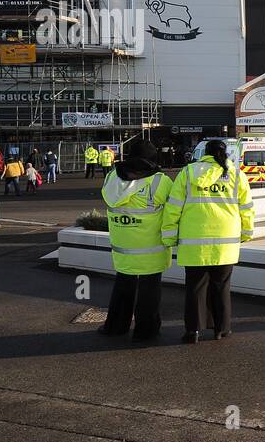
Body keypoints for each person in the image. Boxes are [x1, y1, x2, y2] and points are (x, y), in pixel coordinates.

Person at [161, 138, 253, 343]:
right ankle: (221, 329)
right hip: (226, 242)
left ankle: (192, 331)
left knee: (195, 288)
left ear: (205, 153)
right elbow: (246, 209)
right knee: (221, 287)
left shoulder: (188, 172)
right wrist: (246, 233)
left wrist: (168, 236)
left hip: (194, 241)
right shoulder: (237, 174)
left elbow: (173, 207)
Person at [99, 138, 172, 343]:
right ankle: (145, 332)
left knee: (123, 287)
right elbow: (173, 210)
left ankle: (115, 326)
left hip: (122, 247)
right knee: (149, 292)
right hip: (151, 248)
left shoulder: (112, 177)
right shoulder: (160, 181)